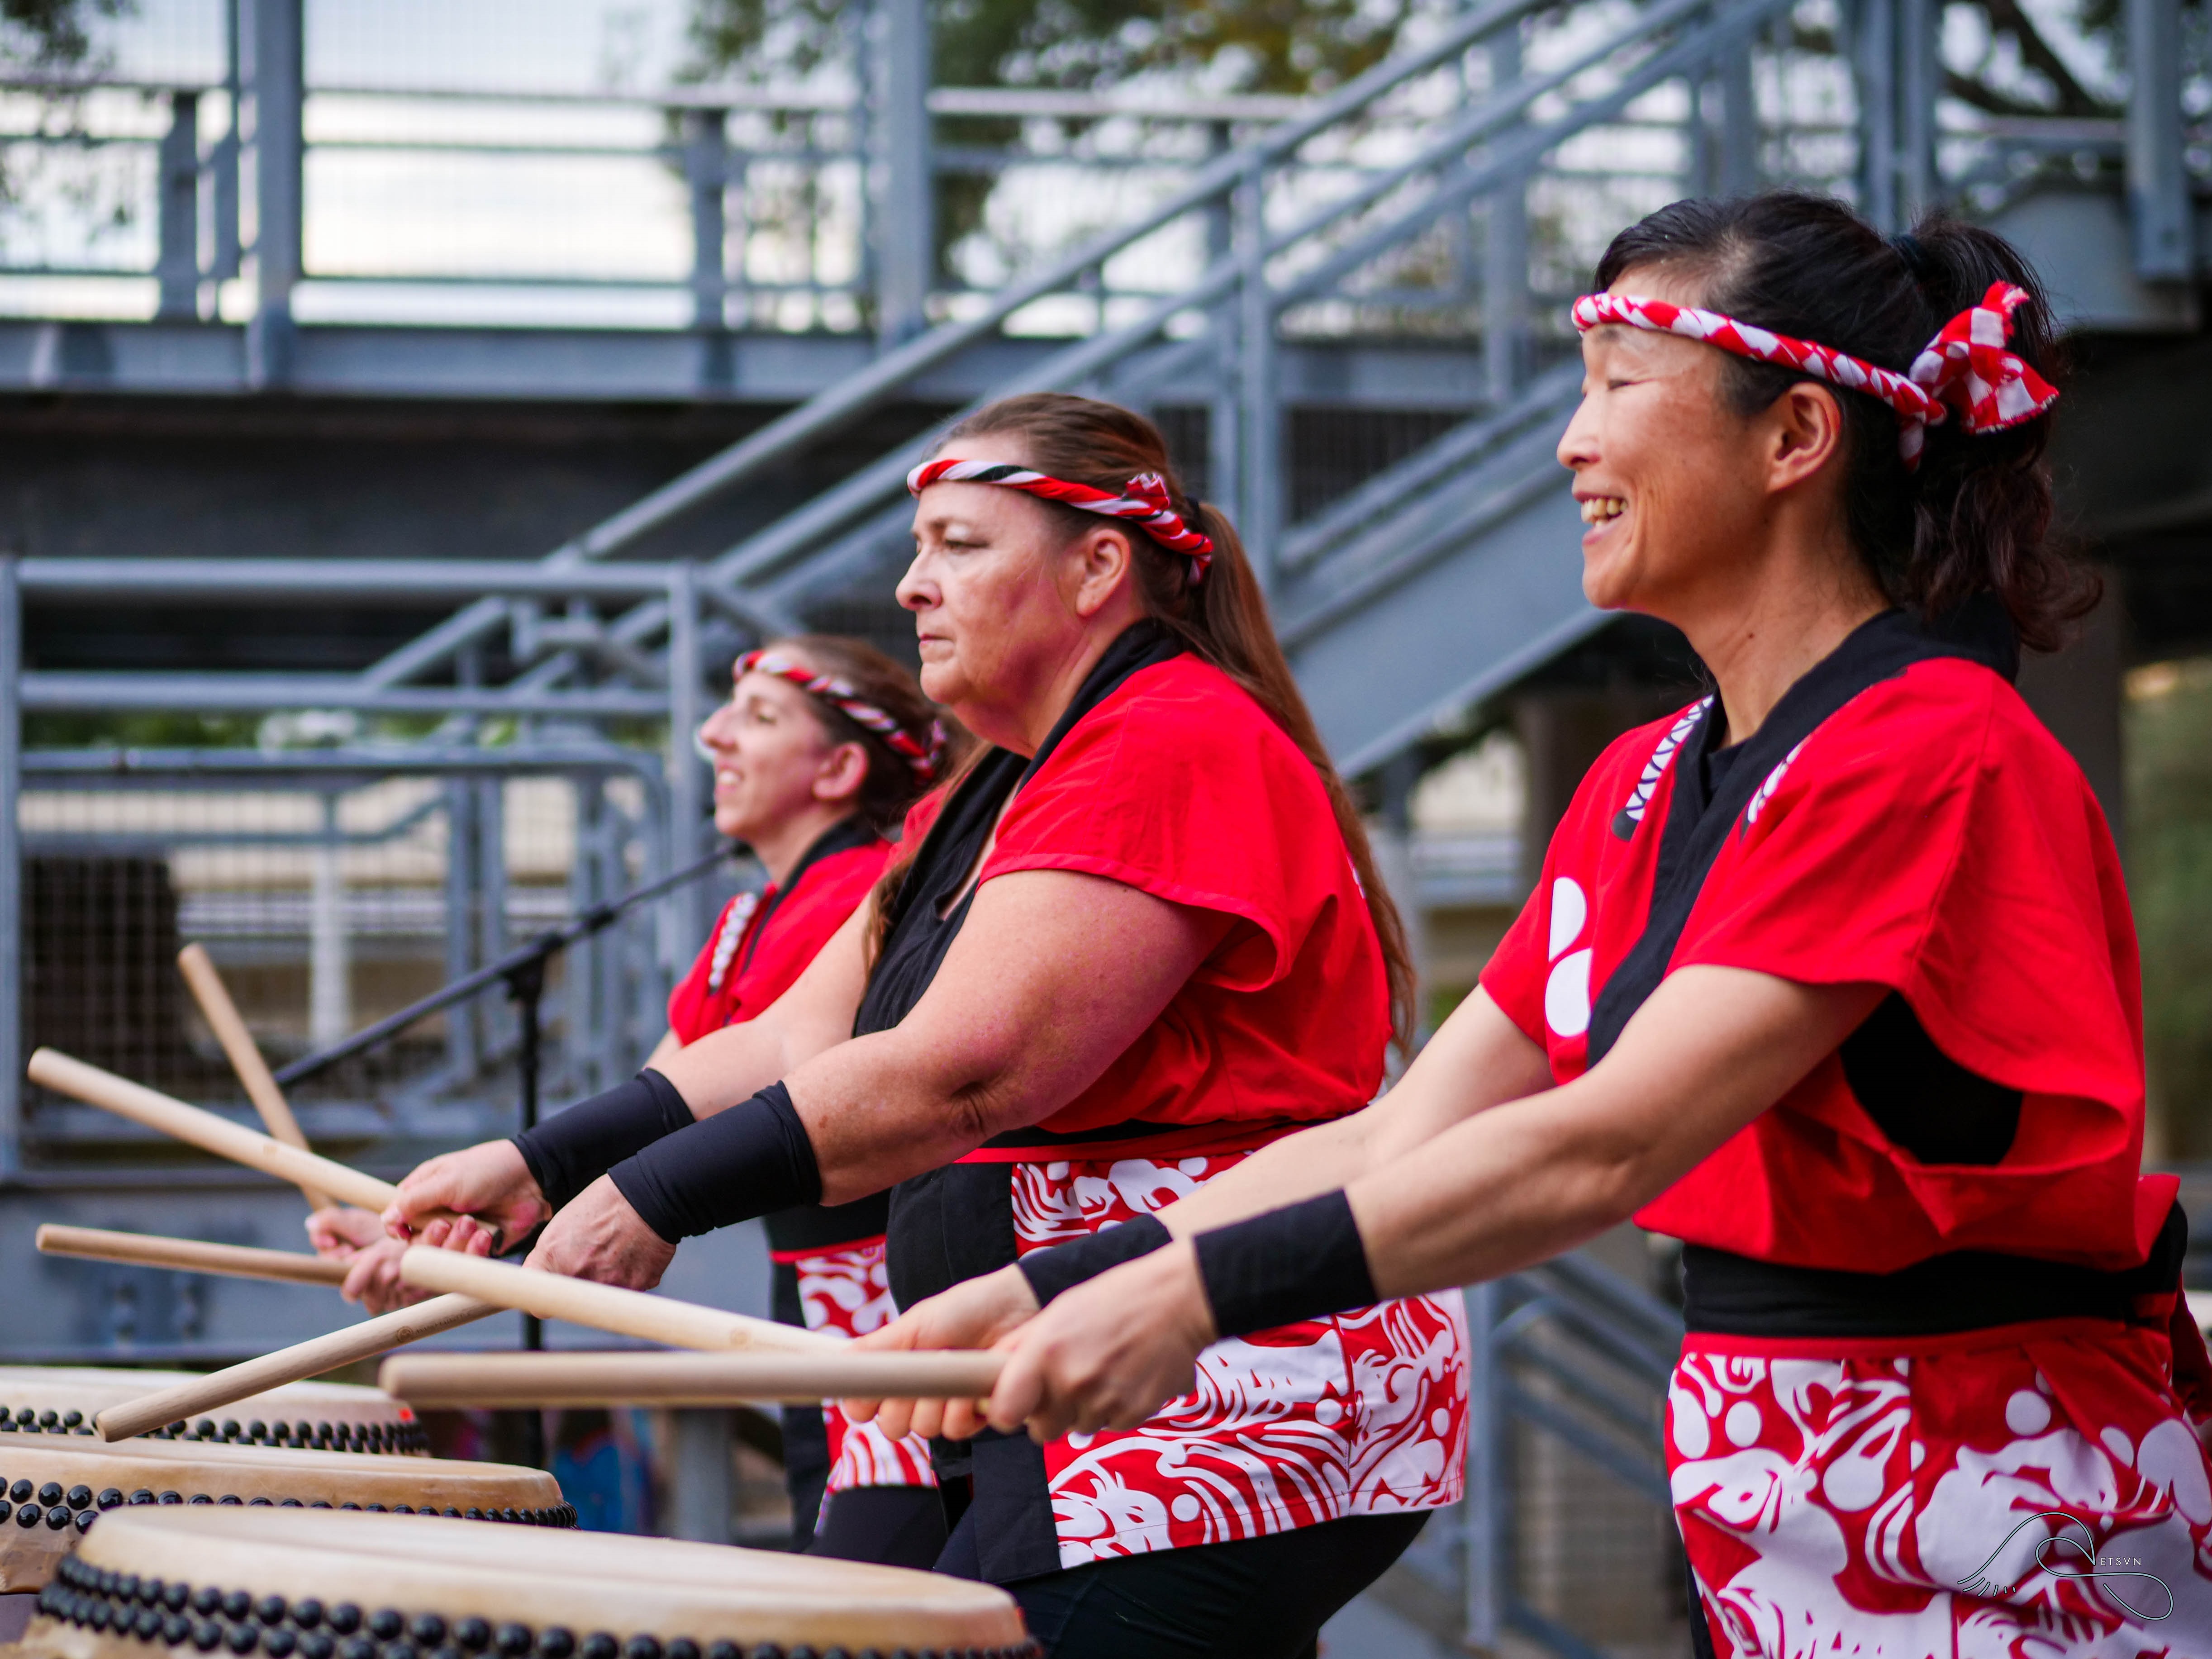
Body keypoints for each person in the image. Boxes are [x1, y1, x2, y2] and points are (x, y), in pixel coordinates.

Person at [860, 194, 2212, 1654]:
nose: (1571, 441)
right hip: (1770, 1446)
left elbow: (1608, 1138)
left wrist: (1190, 1295)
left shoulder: (1926, 744)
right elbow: (1404, 1130)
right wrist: (1041, 1282)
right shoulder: (1639, 779)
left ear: (1794, 438)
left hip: (1996, 1466)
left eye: (1619, 383)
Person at [380, 393, 1469, 1658]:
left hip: (1208, 1377)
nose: (911, 586)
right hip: (1031, 1374)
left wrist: (657, 1196)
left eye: (958, 544)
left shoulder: (1166, 737)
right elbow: (801, 1036)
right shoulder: (999, 780)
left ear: (1098, 566)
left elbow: (969, 1072)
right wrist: (540, 1164)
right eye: (916, 547)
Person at [311, 634, 947, 1560]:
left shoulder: (860, 891)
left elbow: (759, 1096)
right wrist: (446, 1235)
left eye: (760, 717)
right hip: (816, 1304)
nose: (714, 735)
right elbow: (653, 1111)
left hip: (892, 1302)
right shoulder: (752, 915)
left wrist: (506, 1222)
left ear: (842, 767)